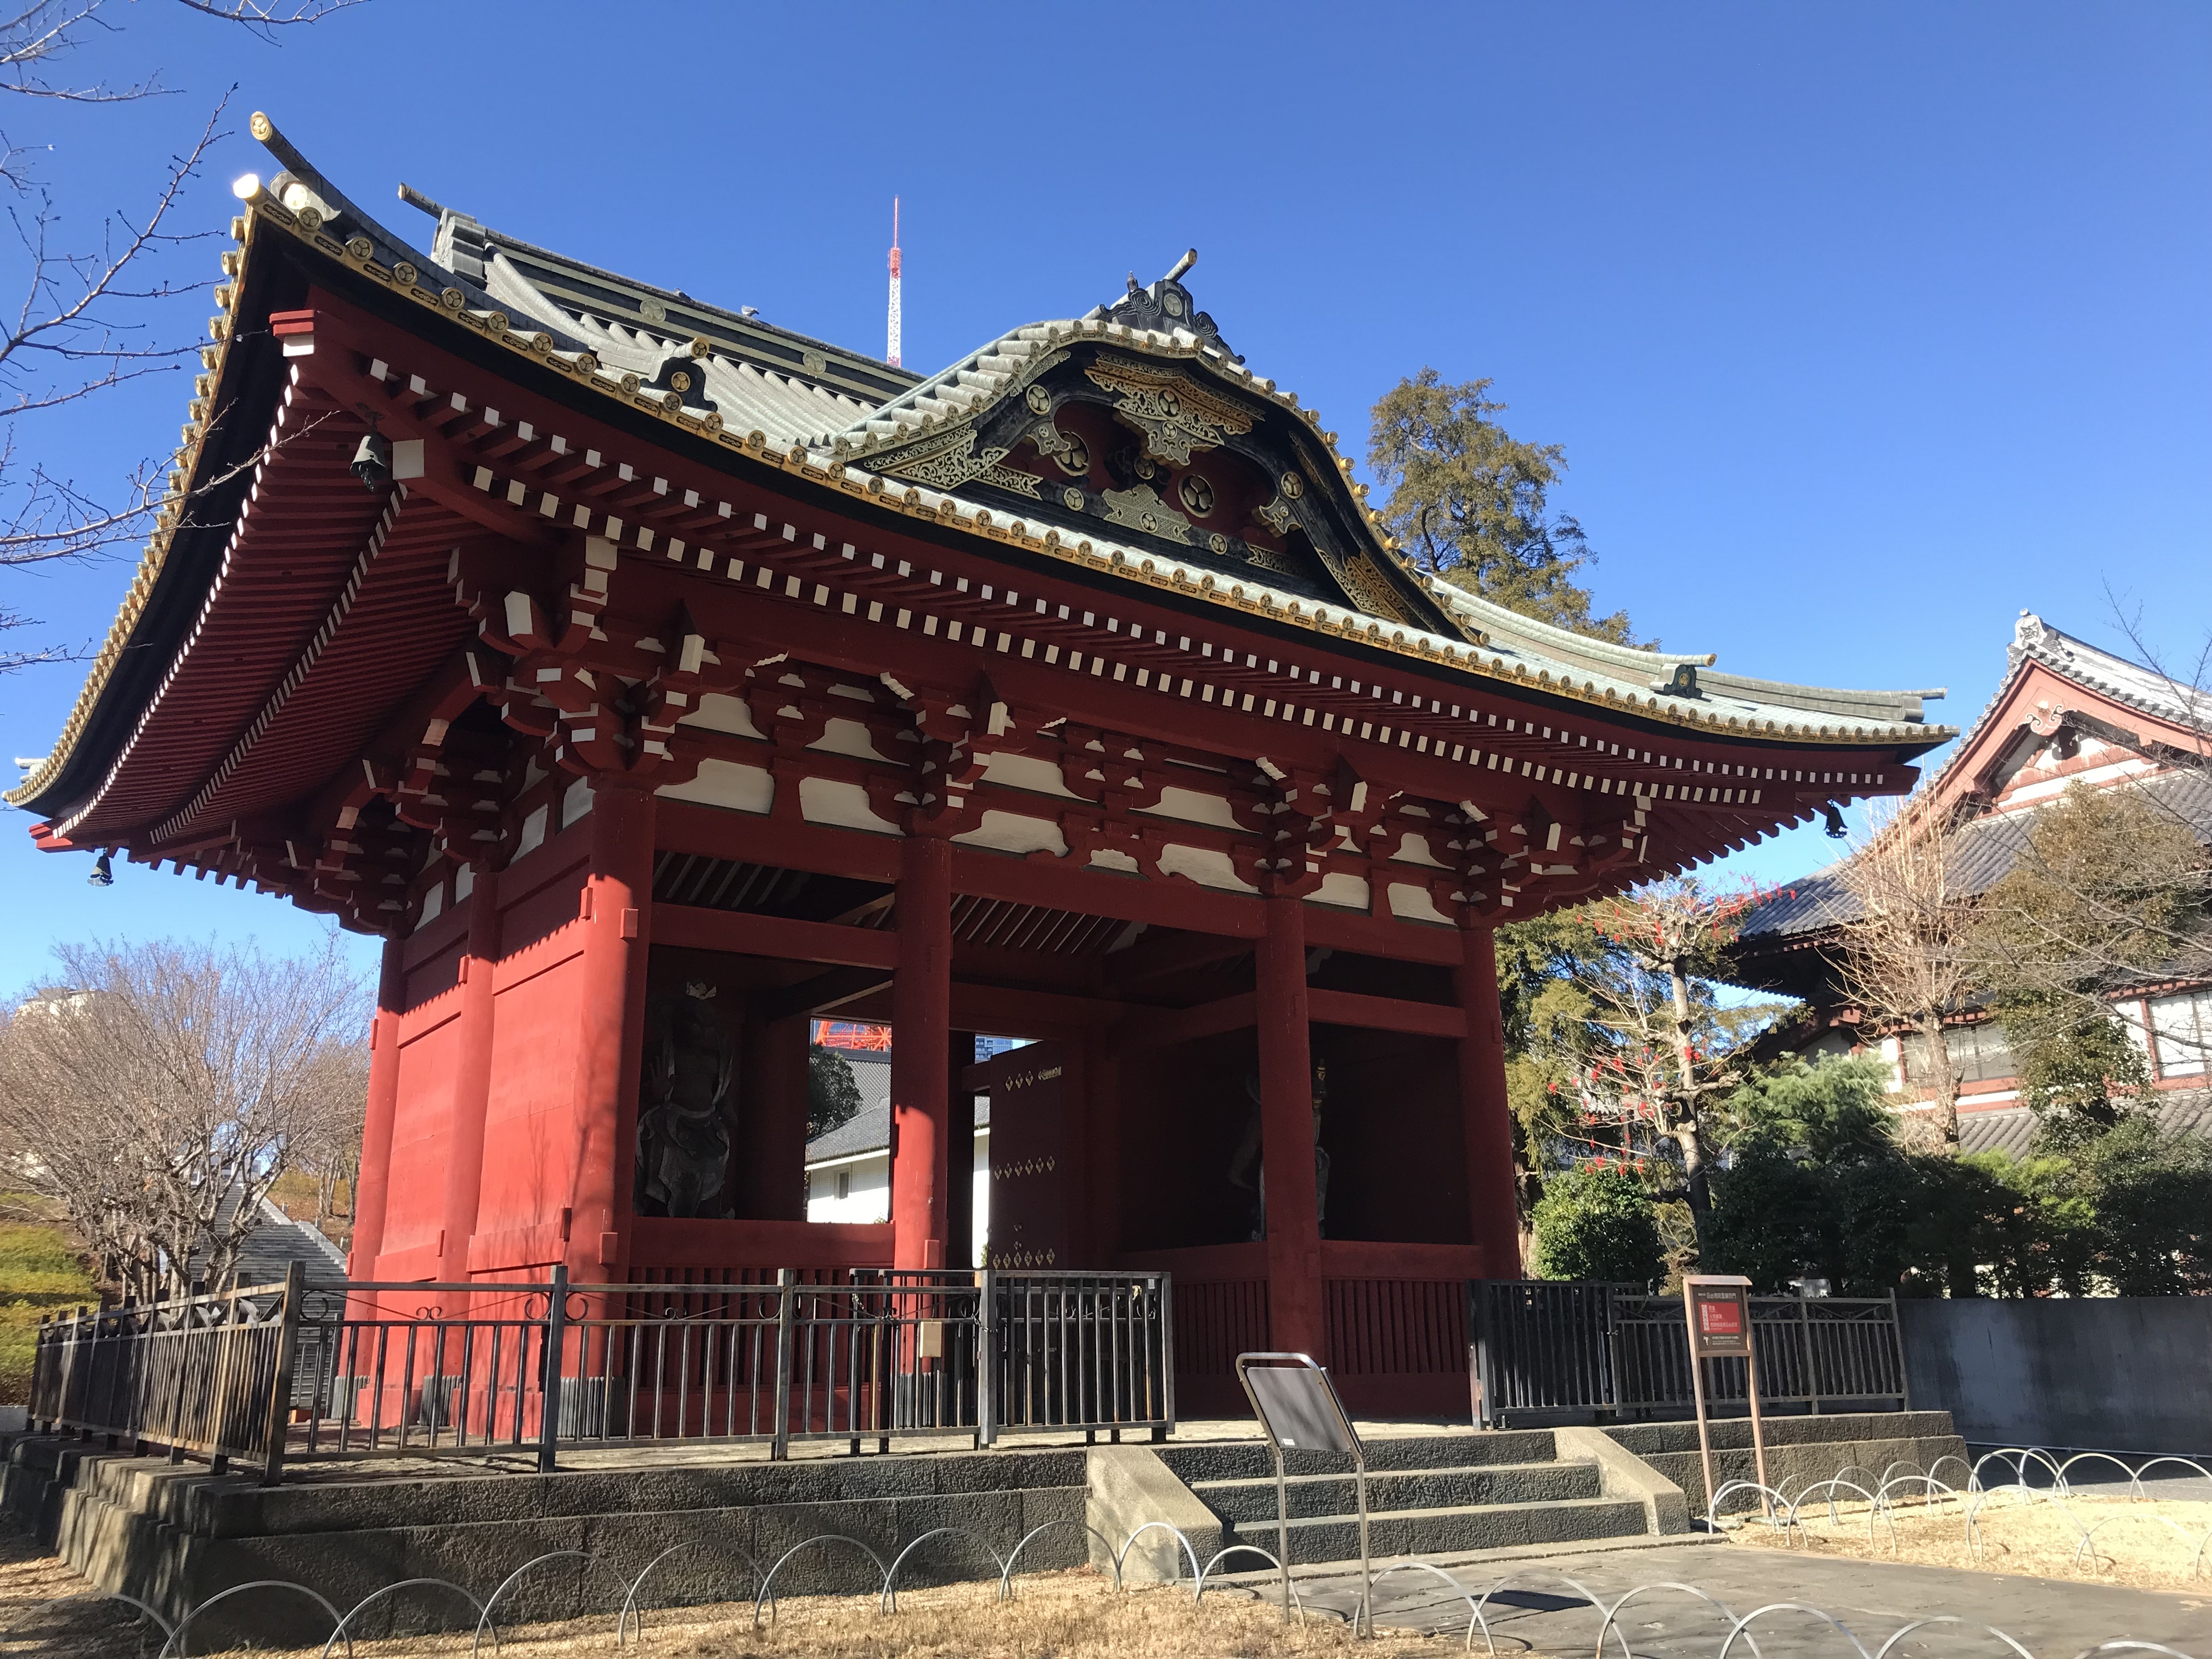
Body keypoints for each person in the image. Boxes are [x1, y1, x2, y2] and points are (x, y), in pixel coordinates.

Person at [634, 981, 737, 1218]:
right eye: (691, 1020)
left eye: (702, 1022)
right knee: (661, 1156)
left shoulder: (716, 1058)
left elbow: (721, 1096)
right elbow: (632, 1093)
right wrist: (653, 1092)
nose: (696, 1027)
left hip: (708, 1125)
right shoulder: (660, 1051)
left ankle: (708, 1215)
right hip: (668, 1121)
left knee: (716, 1160)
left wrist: (727, 1110)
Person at [1226, 1060, 1329, 1241]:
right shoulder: (1267, 1113)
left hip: (1305, 1179)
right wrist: (1236, 1174)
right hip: (1277, 1181)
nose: (1320, 1092)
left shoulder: (1312, 1121)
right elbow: (1250, 1144)